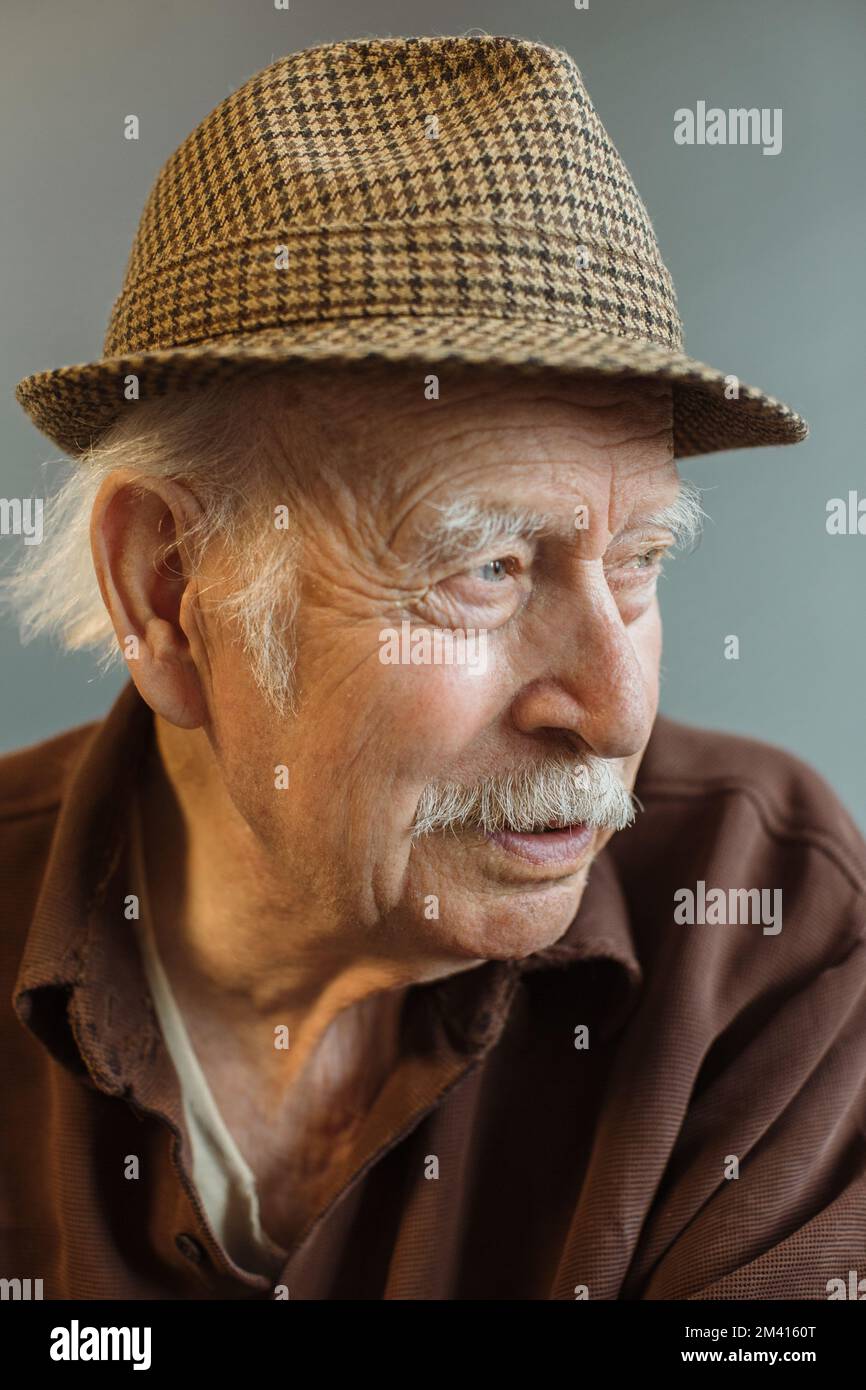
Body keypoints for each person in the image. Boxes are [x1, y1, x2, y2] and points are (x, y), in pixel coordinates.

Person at [2, 34, 863, 1301]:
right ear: (171, 594)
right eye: (485, 567)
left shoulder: (761, 923)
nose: (615, 709)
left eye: (638, 560)